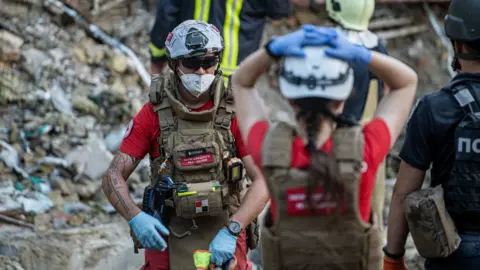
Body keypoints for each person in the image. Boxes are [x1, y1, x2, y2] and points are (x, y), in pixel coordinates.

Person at [207, 24, 417, 269]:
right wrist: (359, 53)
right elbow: (406, 82)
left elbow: (242, 81)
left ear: (289, 98)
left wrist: (273, 49)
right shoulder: (365, 149)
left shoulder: (270, 149)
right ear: (344, 97)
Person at [101, 20, 264, 270]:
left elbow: (263, 181)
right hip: (169, 230)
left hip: (226, 228)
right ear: (175, 64)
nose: (201, 71)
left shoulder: (233, 111)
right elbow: (113, 175)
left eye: (208, 62)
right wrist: (135, 218)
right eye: (192, 63)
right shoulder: (153, 114)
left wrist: (233, 230)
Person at [384, 1, 480, 269]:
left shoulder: (434, 108)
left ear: (458, 44)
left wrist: (392, 257)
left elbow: (403, 194)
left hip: (455, 251)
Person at [149, 0, 292, 79]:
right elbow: (280, 10)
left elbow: (167, 13)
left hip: (190, 67)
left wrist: (157, 56)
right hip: (235, 74)